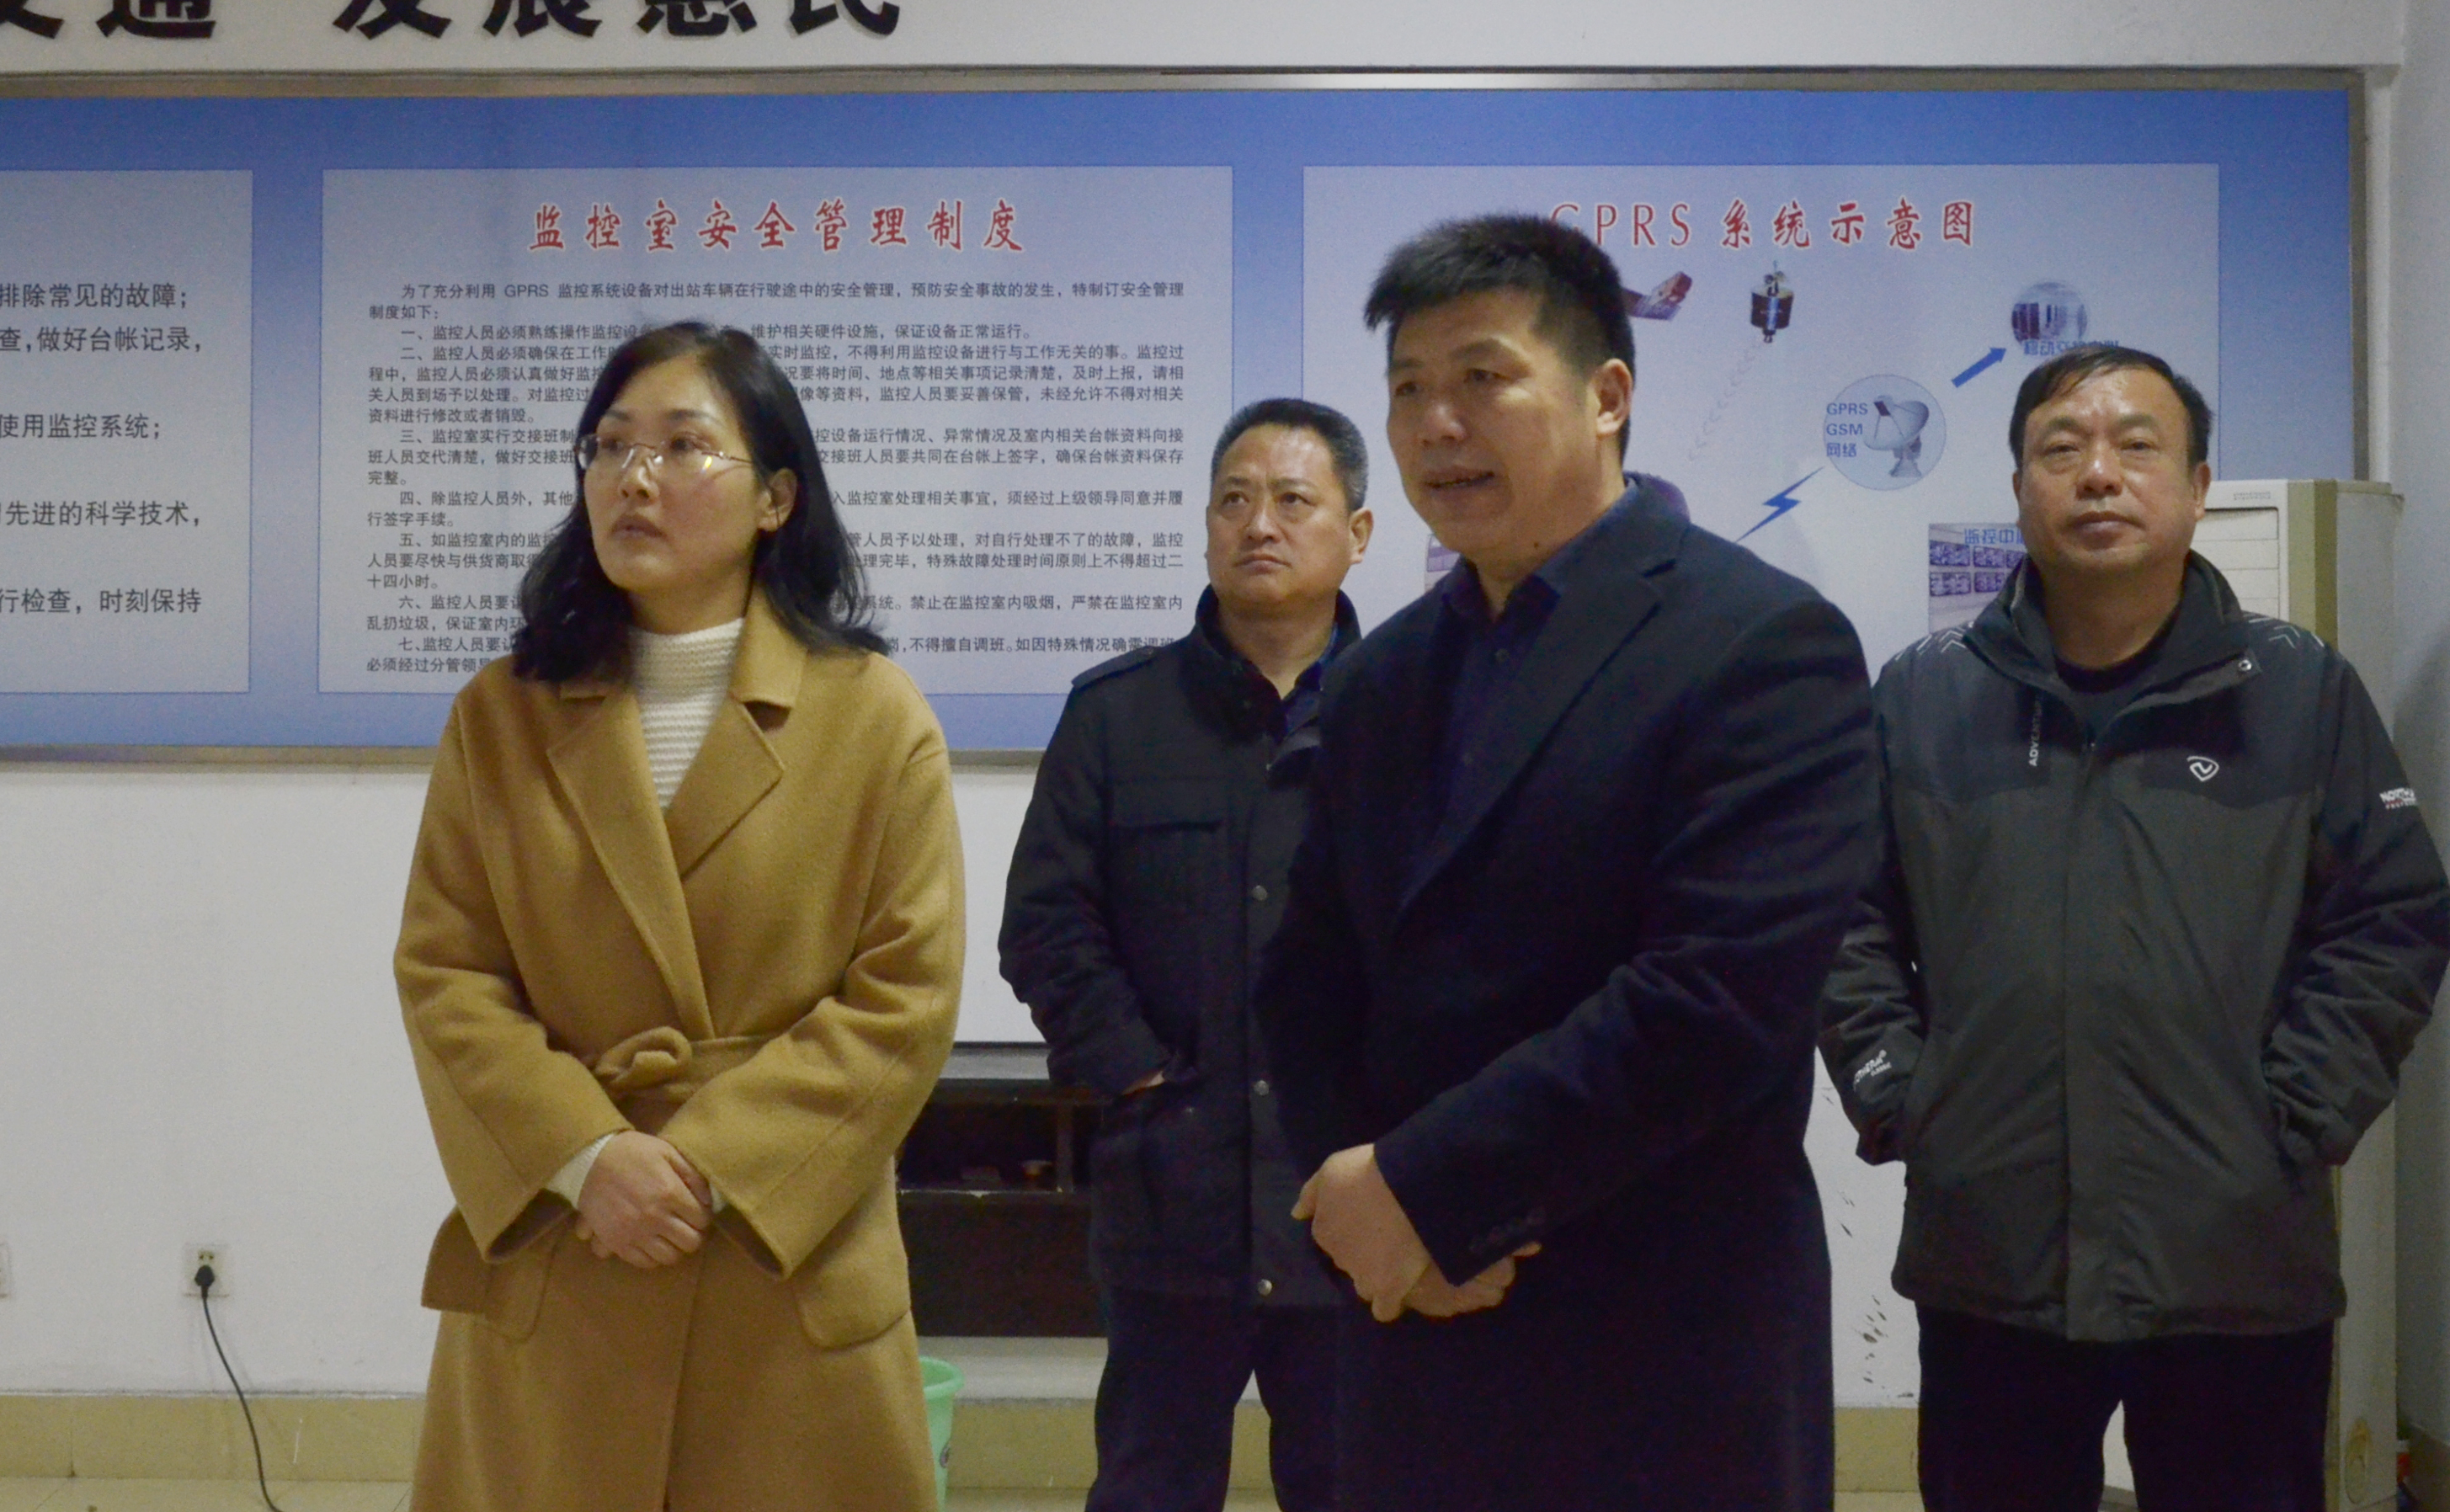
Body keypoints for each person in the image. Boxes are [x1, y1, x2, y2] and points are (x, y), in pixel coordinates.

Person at [1258, 215, 1879, 1509]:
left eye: (1483, 378)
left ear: (1608, 397)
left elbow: (1716, 999)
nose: (1438, 425)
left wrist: (1429, 1191)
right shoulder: (1378, 678)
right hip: (1417, 1329)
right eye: (1409, 389)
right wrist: (1366, 1212)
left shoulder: (1760, 642)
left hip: (1662, 1346)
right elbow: (1310, 975)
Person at [1820, 343, 2450, 1512]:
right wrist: (1900, 1092)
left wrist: (2299, 1114)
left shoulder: (2300, 692)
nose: (2098, 474)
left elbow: (2393, 914)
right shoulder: (1922, 695)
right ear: (2019, 489)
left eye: (2136, 446)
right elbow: (1843, 917)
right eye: (2061, 449)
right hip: (1993, 1253)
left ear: (2198, 486)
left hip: (2234, 1258)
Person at [393, 322, 965, 1512]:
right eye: (609, 447)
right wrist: (588, 1156)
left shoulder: (873, 717)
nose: (633, 478)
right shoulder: (502, 715)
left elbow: (904, 1000)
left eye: (682, 446)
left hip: (777, 1251)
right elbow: (447, 974)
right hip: (572, 1239)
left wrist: (706, 1167)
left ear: (776, 498)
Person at [1000, 397, 1376, 1512]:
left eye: (1294, 501)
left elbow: (1461, 938)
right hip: (1174, 1194)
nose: (1260, 524)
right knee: (1149, 1486)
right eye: (1234, 500)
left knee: (1361, 1484)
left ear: (1357, 532)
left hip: (1354, 1197)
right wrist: (1133, 1073)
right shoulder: (1119, 716)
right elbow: (1046, 923)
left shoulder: (1412, 710)